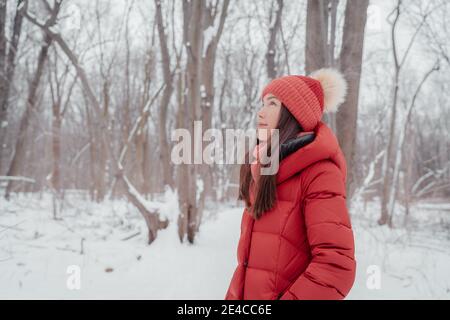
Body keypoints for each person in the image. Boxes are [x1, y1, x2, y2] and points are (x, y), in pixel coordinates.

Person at [225, 68, 356, 300]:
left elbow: (335, 266)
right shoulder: (263, 170)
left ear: (294, 114)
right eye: (262, 104)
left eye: (272, 104)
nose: (260, 113)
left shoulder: (320, 173)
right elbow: (248, 267)